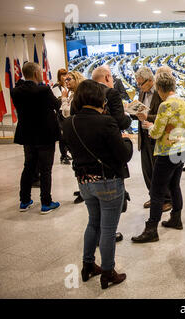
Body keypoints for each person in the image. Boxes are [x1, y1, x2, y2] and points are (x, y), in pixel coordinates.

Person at [63, 80, 133, 289]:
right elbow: (123, 155)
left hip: (84, 182)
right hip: (108, 181)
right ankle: (108, 271)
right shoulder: (106, 122)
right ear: (99, 98)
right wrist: (127, 140)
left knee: (93, 222)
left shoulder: (69, 122)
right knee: (108, 229)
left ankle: (88, 264)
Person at [131, 72, 185, 243]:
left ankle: (151, 230)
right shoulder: (183, 102)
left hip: (167, 151)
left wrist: (149, 126)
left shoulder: (165, 105)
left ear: (159, 88)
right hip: (182, 149)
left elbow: (156, 132)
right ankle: (176, 219)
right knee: (175, 186)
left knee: (157, 191)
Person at [12, 62, 62, 214]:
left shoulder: (15, 91)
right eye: (40, 71)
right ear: (36, 73)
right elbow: (56, 105)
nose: (42, 74)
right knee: (45, 170)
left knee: (28, 167)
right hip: (45, 136)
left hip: (27, 136)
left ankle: (24, 201)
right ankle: (46, 202)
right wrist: (62, 98)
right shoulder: (44, 89)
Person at [90, 65, 133, 241]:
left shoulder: (85, 94)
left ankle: (98, 234)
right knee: (111, 202)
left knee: (93, 212)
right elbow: (120, 122)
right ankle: (108, 234)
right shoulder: (111, 93)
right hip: (110, 152)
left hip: (90, 154)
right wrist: (128, 117)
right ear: (108, 77)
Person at [133, 66, 172, 212]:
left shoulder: (161, 92)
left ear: (150, 80)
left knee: (160, 171)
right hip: (144, 136)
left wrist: (147, 117)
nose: (139, 86)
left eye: (141, 83)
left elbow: (166, 116)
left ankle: (166, 199)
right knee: (147, 170)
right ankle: (154, 196)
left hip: (157, 136)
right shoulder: (141, 92)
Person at [61, 71, 86, 204]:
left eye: (69, 79)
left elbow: (66, 113)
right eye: (65, 80)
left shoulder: (78, 96)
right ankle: (81, 187)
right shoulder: (74, 95)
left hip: (79, 133)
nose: (67, 82)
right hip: (75, 132)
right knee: (77, 163)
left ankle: (83, 190)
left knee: (79, 163)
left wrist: (64, 98)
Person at [51, 68, 71, 165]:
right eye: (63, 75)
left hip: (67, 112)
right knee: (62, 136)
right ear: (59, 76)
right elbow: (58, 101)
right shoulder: (56, 86)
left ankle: (66, 153)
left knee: (68, 135)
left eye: (66, 75)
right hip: (60, 114)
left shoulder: (68, 85)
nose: (65, 77)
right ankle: (63, 156)